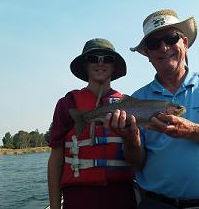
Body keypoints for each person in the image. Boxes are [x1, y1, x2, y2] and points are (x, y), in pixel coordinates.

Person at [105, 9, 199, 209]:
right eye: (153, 43)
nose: (163, 48)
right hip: (157, 203)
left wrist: (192, 131)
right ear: (147, 54)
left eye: (170, 38)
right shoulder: (137, 98)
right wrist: (130, 139)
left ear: (184, 43)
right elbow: (136, 164)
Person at [47, 38, 136, 209]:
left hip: (122, 197)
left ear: (114, 66)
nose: (100, 63)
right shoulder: (66, 104)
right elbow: (56, 159)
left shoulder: (129, 105)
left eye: (107, 59)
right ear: (85, 65)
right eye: (93, 58)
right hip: (78, 199)